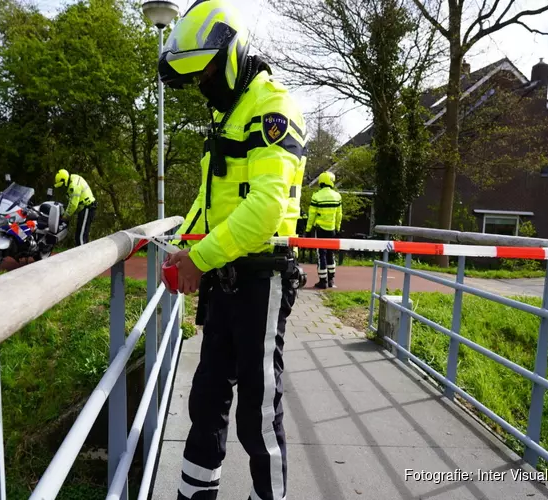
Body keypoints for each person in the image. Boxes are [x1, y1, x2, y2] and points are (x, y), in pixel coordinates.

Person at [158, 1, 307, 499]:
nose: (201, 85)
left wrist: (199, 257)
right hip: (224, 275)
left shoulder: (271, 107)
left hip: (260, 277)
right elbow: (211, 199)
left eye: (205, 74)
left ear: (232, 54)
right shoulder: (230, 114)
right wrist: (185, 248)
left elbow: (265, 209)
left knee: (257, 414)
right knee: (206, 405)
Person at [305, 171, 342, 289]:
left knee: (321, 254)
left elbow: (312, 215)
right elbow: (339, 215)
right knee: (331, 253)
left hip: (320, 229)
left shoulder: (316, 196)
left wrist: (308, 229)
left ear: (321, 181)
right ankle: (331, 280)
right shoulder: (337, 196)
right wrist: (337, 228)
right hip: (332, 229)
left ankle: (323, 281)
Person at [53, 169, 97, 246]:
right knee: (81, 235)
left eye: (62, 185)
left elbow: (73, 204)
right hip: (85, 208)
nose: (62, 187)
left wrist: (65, 217)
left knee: (80, 237)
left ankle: (83, 256)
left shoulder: (74, 186)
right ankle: (85, 254)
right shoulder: (73, 178)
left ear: (65, 180)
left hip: (87, 207)